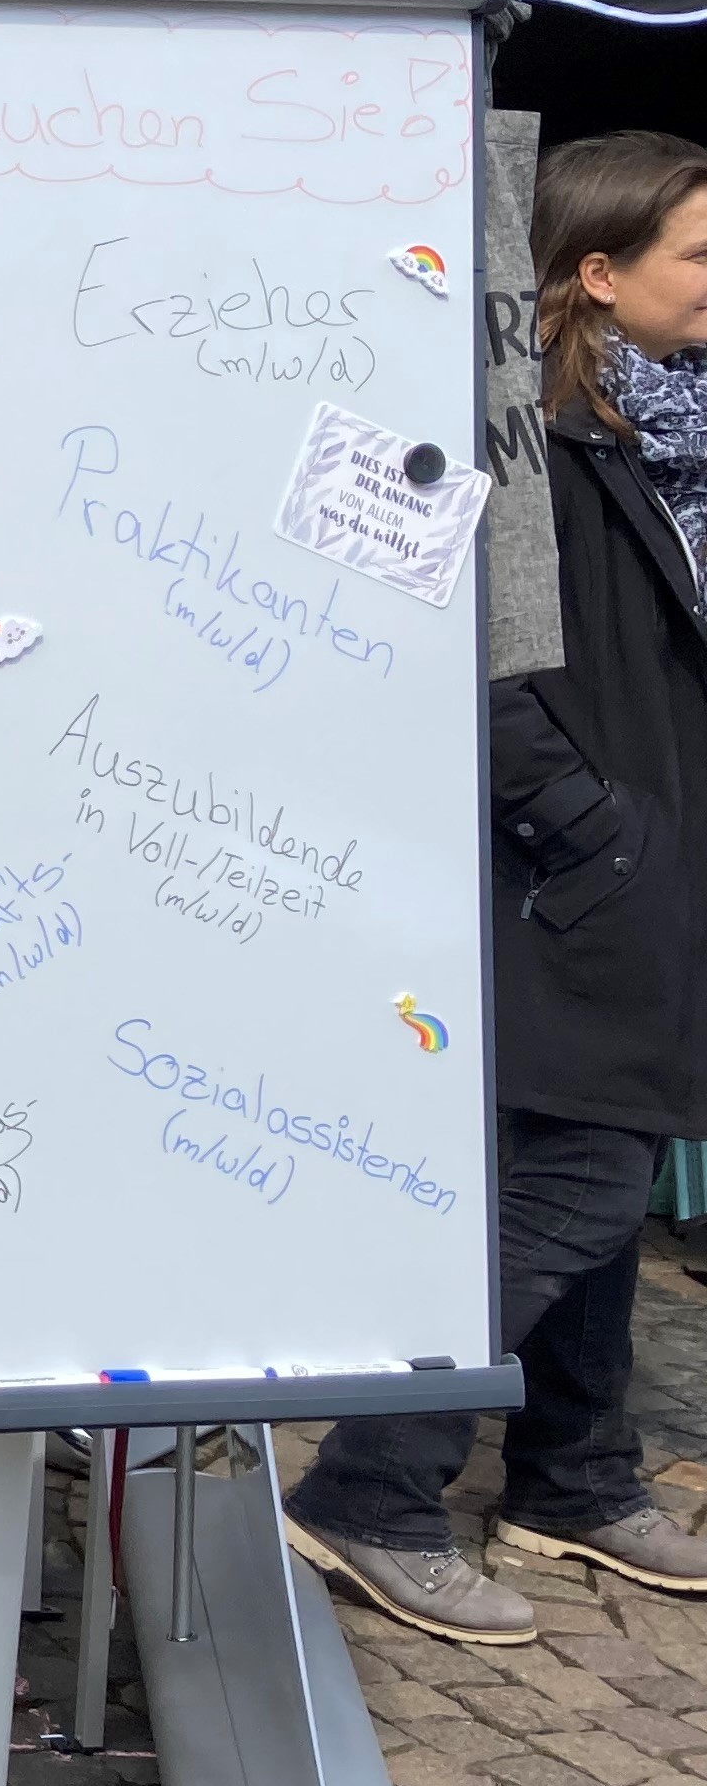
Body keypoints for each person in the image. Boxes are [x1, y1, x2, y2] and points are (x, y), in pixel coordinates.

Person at [286, 130, 707, 1642]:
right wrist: (589, 823)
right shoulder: (495, 417)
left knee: (605, 1154)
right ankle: (369, 1489)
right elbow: (433, 644)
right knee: (572, 1178)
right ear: (597, 271)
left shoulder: (634, 425)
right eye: (699, 256)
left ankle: (574, 1477)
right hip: (560, 869)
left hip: (622, 857)